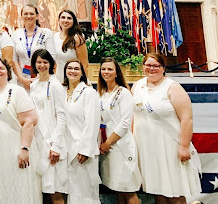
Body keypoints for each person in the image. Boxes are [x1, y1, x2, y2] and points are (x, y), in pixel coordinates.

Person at [132, 53, 201, 203]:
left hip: (170, 147)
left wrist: (184, 146)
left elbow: (186, 119)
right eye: (148, 65)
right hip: (147, 148)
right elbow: (133, 116)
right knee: (158, 190)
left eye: (156, 66)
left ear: (163, 68)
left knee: (175, 191)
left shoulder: (173, 87)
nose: (151, 69)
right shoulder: (138, 86)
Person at [0, 57, 40, 204]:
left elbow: (29, 121)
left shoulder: (17, 91)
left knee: (16, 184)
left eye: (1, 68)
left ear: (8, 73)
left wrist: (25, 148)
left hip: (13, 148)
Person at [97, 57, 141, 204]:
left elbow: (125, 123)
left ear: (117, 73)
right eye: (103, 69)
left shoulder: (123, 93)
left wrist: (108, 143)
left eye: (110, 69)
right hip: (109, 149)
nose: (106, 72)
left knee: (128, 190)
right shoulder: (102, 94)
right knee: (118, 189)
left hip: (121, 146)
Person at [29, 49, 67, 204]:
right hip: (37, 140)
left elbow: (62, 116)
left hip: (51, 141)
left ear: (51, 64)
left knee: (54, 190)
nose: (42, 65)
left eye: (45, 62)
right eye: (39, 62)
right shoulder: (34, 85)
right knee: (42, 189)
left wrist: (56, 145)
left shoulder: (56, 85)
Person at [63, 58, 101, 204]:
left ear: (82, 73)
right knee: (72, 191)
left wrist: (85, 149)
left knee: (85, 193)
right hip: (67, 149)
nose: (72, 71)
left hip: (82, 150)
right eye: (69, 68)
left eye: (76, 69)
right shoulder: (61, 91)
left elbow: (92, 122)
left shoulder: (88, 92)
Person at [11, 4, 55, 90]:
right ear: (22, 16)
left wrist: (38, 78)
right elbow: (14, 60)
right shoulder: (15, 34)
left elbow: (51, 58)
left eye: (31, 14)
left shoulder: (46, 33)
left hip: (43, 77)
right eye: (25, 14)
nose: (28, 16)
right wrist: (22, 79)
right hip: (22, 79)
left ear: (37, 16)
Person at [49, 9, 88, 82]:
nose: (66, 20)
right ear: (59, 20)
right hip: (58, 78)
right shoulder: (55, 36)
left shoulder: (77, 39)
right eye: (63, 17)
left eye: (69, 18)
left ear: (73, 21)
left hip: (73, 79)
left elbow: (84, 64)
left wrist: (82, 82)